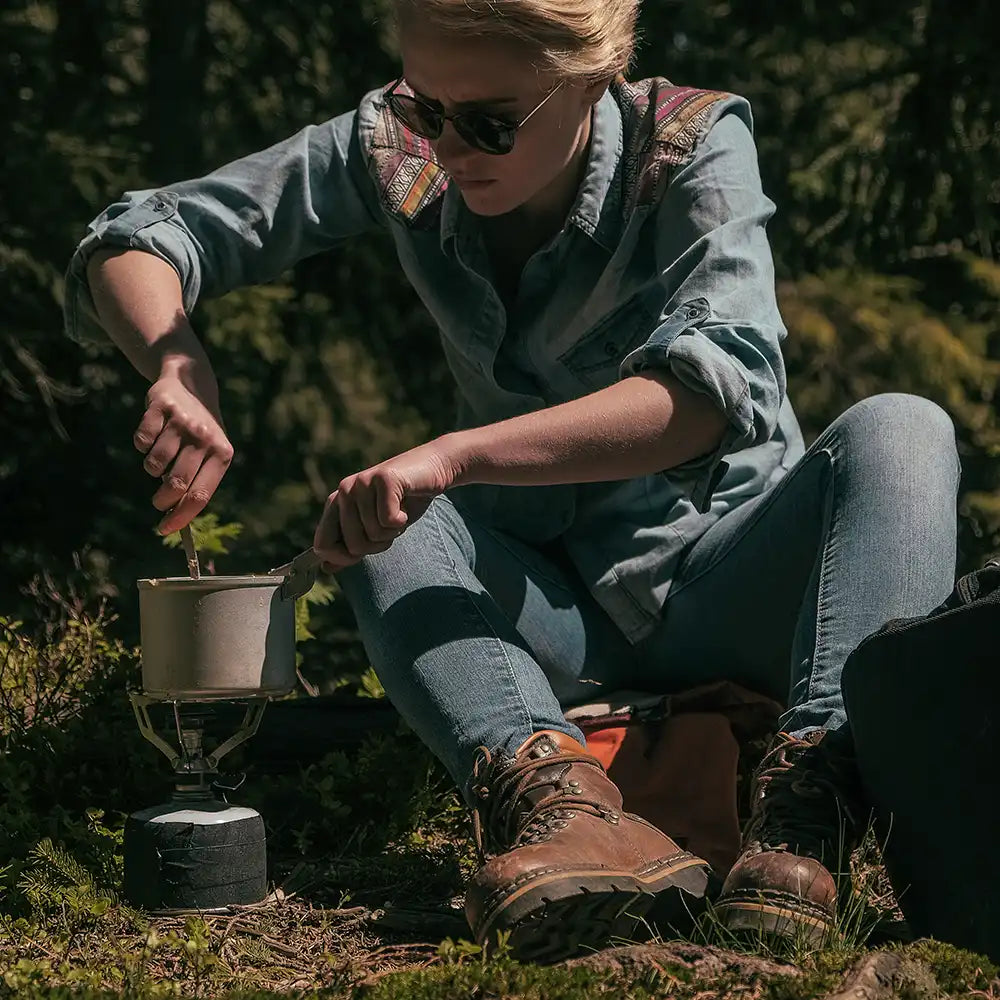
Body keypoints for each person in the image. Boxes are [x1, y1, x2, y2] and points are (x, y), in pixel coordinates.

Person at [67, 0, 960, 963]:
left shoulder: (692, 145)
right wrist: (173, 360)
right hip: (552, 621)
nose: (448, 148)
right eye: (425, 111)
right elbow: (141, 232)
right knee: (386, 516)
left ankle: (807, 822)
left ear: (591, 77)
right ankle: (559, 805)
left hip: (731, 593)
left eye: (490, 121)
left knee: (904, 431)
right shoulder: (396, 149)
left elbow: (703, 398)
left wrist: (458, 454)